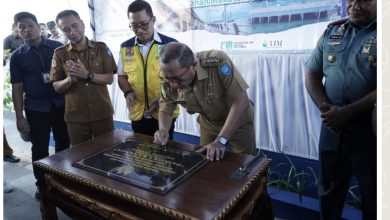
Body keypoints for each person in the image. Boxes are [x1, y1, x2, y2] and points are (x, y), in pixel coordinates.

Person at [305, 0, 377, 219]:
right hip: (333, 131)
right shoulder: (333, 31)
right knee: (329, 192)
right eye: (351, 0)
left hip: (371, 134)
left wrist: (348, 112)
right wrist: (327, 110)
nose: (354, 5)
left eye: (363, 1)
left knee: (374, 197)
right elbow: (311, 74)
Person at [154, 42, 256, 161]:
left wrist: (220, 140)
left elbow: (241, 101)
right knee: (205, 162)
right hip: (209, 124)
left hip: (238, 121)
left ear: (194, 65)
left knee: (245, 164)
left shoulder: (217, 62)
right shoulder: (170, 74)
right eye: (168, 79)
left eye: (177, 79)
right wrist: (163, 130)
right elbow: (166, 106)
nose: (173, 84)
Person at [10, 11, 70, 199]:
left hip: (60, 104)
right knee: (39, 148)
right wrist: (20, 116)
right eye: (22, 28)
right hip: (36, 108)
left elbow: (69, 76)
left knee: (63, 144)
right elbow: (17, 88)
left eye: (30, 25)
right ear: (18, 31)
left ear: (38, 26)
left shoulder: (57, 47)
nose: (27, 30)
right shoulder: (17, 56)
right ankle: (42, 184)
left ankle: (62, 182)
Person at [50, 10, 117, 146]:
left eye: (75, 26)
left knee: (108, 153)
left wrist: (87, 75)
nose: (72, 32)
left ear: (82, 24)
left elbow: (109, 79)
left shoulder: (101, 48)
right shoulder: (60, 54)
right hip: (76, 118)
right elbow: (56, 87)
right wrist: (70, 79)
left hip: (102, 114)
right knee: (80, 158)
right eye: (66, 29)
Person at [117, 0, 179, 139]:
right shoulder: (125, 47)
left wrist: (164, 98)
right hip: (138, 111)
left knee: (164, 152)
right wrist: (127, 92)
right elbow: (121, 76)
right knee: (139, 150)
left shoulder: (170, 44)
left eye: (144, 24)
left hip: (164, 110)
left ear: (153, 19)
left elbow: (180, 80)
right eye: (134, 25)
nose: (139, 30)